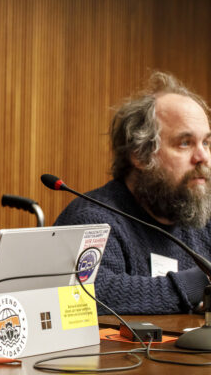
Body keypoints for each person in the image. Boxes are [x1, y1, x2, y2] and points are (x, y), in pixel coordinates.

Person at [55, 71, 211, 315]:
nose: (202, 157)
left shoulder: (203, 220)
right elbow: (86, 293)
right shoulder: (94, 219)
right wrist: (196, 284)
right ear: (140, 154)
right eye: (185, 143)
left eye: (206, 143)